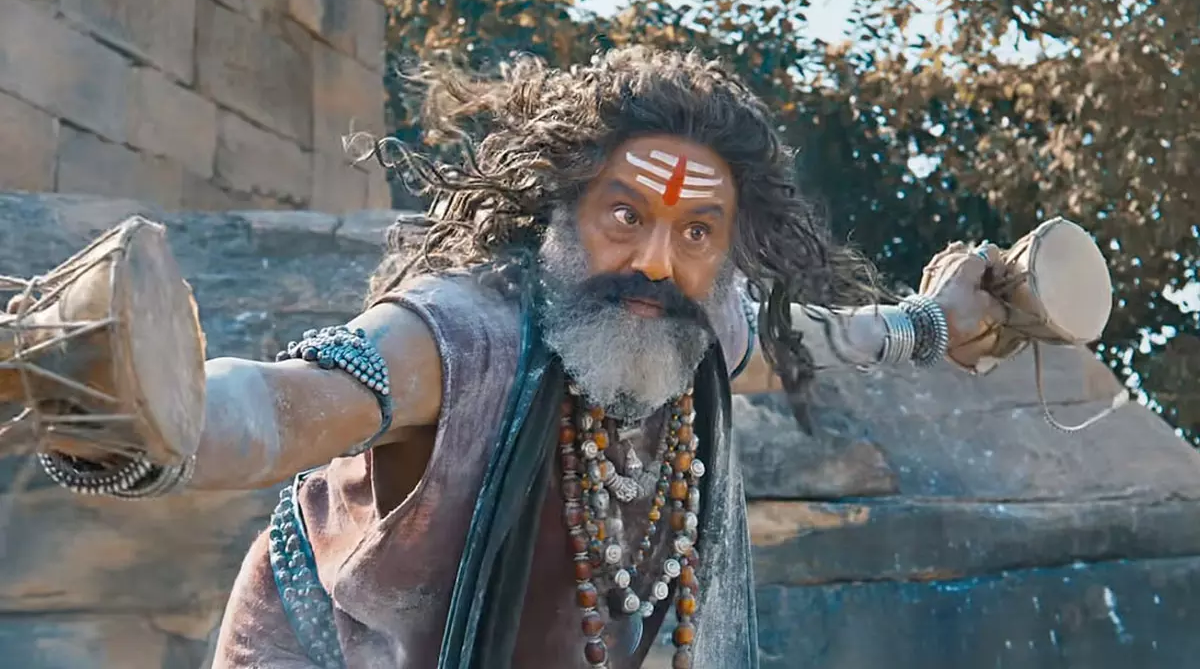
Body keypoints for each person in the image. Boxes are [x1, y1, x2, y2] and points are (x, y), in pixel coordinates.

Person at [34, 47, 1005, 669]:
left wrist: (934, 322)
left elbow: (828, 338)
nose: (656, 261)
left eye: (696, 233)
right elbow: (288, 404)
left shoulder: (703, 327)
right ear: (560, 214)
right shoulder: (461, 335)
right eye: (625, 215)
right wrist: (147, 401)